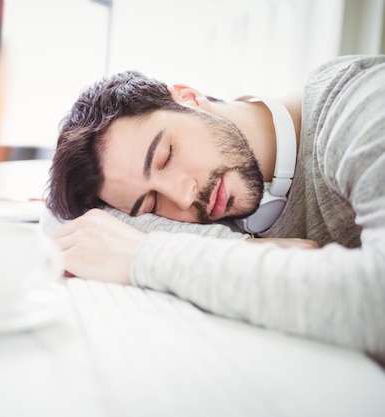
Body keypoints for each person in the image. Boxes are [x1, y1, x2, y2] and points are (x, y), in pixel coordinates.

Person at [44, 55, 385, 363]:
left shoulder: (363, 105)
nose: (183, 197)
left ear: (189, 98)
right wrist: (245, 249)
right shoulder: (214, 190)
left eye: (166, 156)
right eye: (151, 204)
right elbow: (66, 222)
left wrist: (144, 256)